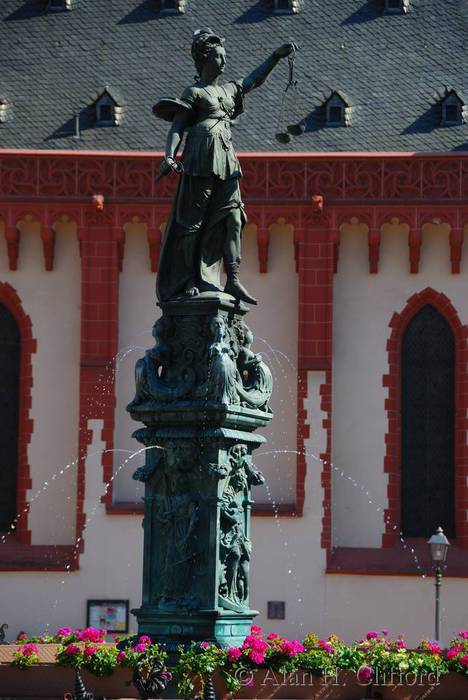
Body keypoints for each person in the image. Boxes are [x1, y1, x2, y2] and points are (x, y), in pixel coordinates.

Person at [154, 28, 297, 305]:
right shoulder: (195, 92)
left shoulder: (228, 90)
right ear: (205, 59)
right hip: (200, 159)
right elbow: (177, 127)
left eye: (225, 56)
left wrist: (276, 57)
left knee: (234, 217)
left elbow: (254, 79)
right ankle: (186, 281)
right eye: (219, 56)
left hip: (226, 159)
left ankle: (231, 279)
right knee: (192, 224)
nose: (224, 61)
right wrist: (169, 156)